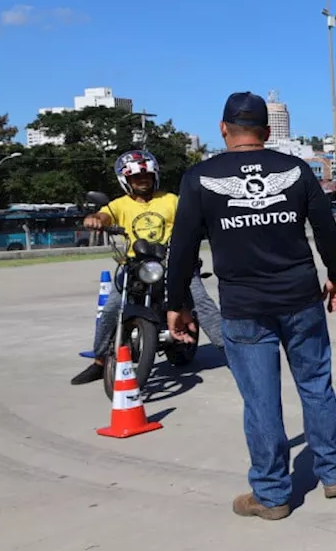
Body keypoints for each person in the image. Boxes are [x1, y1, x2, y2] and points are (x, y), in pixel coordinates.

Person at [165, 92, 336, 521]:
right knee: (316, 384)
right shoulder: (294, 169)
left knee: (261, 399)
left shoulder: (199, 176)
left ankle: (271, 494)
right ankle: (334, 474)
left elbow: (183, 246)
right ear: (267, 133)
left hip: (244, 306)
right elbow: (324, 227)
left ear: (223, 128)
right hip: (301, 298)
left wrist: (177, 304)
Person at [70, 149, 224, 385]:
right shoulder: (119, 205)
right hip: (134, 264)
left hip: (174, 261)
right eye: (135, 177)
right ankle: (100, 361)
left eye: (147, 176)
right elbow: (103, 216)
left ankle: (230, 349)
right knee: (111, 309)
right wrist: (95, 220)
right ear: (125, 180)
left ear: (155, 176)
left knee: (201, 300)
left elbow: (193, 215)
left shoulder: (171, 200)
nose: (142, 180)